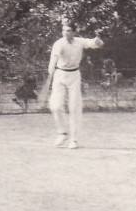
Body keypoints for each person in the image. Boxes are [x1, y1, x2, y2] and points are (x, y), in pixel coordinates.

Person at [44, 19, 104, 149]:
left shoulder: (79, 42)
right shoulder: (59, 43)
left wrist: (98, 42)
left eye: (69, 30)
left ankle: (74, 139)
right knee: (55, 106)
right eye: (64, 30)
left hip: (74, 76)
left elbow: (93, 43)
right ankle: (62, 133)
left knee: (74, 107)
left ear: (74, 32)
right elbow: (54, 56)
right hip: (60, 75)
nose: (65, 33)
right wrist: (51, 68)